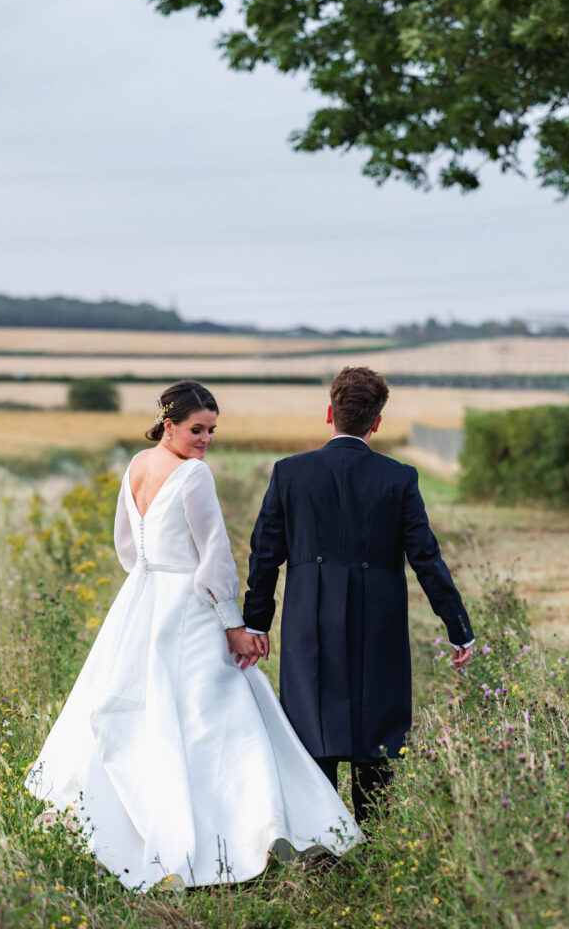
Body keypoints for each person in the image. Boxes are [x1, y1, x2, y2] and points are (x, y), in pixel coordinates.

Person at [25, 380, 362, 892]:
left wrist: (149, 581)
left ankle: (126, 829)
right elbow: (214, 554)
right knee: (216, 713)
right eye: (196, 429)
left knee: (146, 709)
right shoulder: (193, 475)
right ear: (168, 423)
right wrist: (235, 625)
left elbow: (125, 544)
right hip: (186, 603)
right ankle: (235, 834)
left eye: (212, 430)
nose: (205, 439)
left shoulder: (137, 464)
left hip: (142, 598)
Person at [243, 366, 474, 823]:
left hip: (309, 613)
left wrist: (256, 623)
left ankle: (322, 837)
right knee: (378, 723)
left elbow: (265, 555)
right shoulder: (399, 477)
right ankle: (376, 836)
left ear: (330, 413)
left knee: (312, 721)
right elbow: (426, 559)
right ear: (377, 422)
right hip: (380, 615)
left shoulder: (289, 473)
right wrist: (458, 627)